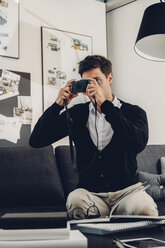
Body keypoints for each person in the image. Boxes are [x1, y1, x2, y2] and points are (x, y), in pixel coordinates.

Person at [29, 55, 158, 219]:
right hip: (91, 195)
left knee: (145, 208)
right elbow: (37, 140)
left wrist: (106, 106)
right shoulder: (77, 114)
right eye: (87, 82)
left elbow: (138, 143)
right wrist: (57, 105)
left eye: (97, 80)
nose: (92, 87)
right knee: (75, 201)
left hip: (127, 193)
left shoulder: (134, 112)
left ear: (109, 77)